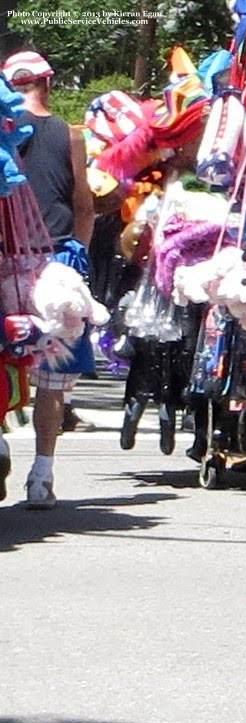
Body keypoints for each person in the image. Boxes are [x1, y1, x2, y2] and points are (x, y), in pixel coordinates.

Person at [1, 50, 95, 509]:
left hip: (3, 260)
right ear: (49, 84)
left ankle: (0, 448)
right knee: (52, 377)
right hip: (54, 264)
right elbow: (83, 203)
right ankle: (41, 475)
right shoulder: (70, 134)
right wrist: (77, 258)